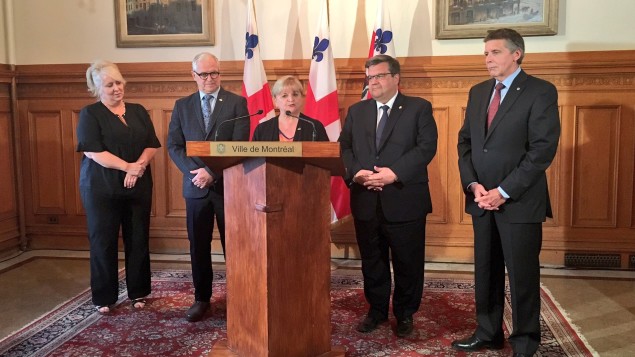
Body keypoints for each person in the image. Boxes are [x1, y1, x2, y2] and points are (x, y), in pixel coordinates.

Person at [453, 28, 560, 357]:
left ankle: (525, 342)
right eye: (485, 53)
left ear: (517, 54)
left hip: (519, 202)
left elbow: (541, 151)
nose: (488, 59)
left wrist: (503, 190)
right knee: (485, 271)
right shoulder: (477, 92)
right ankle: (488, 332)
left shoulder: (540, 91)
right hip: (482, 201)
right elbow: (465, 145)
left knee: (522, 276)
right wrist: (474, 186)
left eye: (495, 52)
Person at [338, 54, 438, 338]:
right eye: (369, 77)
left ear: (396, 78)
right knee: (372, 260)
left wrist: (394, 173)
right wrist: (356, 172)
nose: (374, 82)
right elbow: (344, 146)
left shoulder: (419, 108)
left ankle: (405, 314)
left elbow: (426, 147)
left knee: (408, 261)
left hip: (404, 198)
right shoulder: (358, 111)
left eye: (379, 76)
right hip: (366, 199)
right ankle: (377, 310)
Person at [167, 52, 249, 322]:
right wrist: (196, 174)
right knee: (198, 246)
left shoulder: (237, 103)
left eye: (214, 72)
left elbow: (239, 147)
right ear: (194, 76)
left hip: (228, 187)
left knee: (234, 246)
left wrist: (212, 173)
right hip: (195, 188)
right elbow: (174, 146)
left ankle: (239, 298)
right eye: (204, 74)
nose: (210, 78)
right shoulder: (182, 105)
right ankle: (202, 298)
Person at [76, 60, 160, 315]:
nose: (116, 88)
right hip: (101, 186)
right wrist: (127, 167)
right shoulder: (90, 114)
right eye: (109, 84)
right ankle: (104, 297)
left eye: (119, 82)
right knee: (103, 241)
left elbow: (152, 144)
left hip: (138, 183)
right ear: (97, 88)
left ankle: (138, 292)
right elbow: (92, 151)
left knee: (138, 238)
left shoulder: (138, 110)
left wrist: (139, 166)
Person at [252, 75, 328, 142]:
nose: (291, 99)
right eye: (284, 96)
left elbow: (326, 155)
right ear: (275, 101)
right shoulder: (262, 129)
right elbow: (255, 157)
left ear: (301, 98)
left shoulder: (314, 126)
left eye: (295, 94)